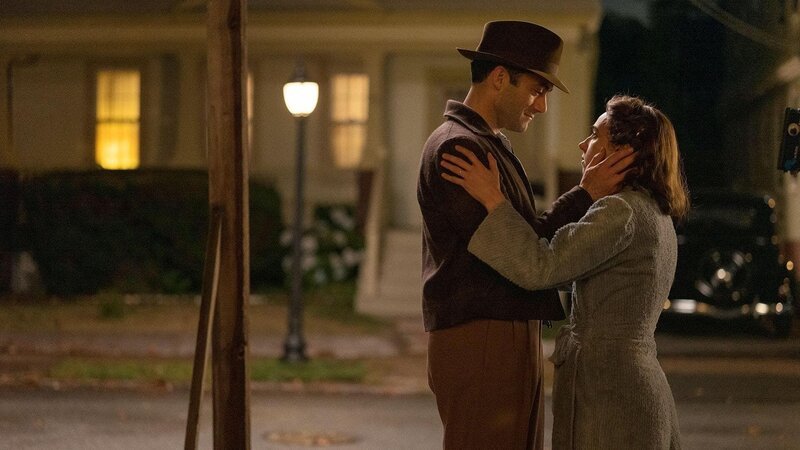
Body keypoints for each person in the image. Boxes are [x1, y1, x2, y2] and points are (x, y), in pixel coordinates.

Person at [416, 20, 634, 449]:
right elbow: (518, 252)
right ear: (500, 78)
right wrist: (586, 193)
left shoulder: (488, 143)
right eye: (538, 90)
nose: (542, 106)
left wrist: (586, 193)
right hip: (482, 333)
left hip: (503, 328)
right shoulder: (459, 147)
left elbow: (527, 239)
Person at [440, 94, 688, 449]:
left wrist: (494, 200)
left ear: (620, 153)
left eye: (595, 135)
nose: (583, 145)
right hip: (623, 384)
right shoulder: (651, 210)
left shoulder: (621, 212)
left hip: (612, 394)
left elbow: (541, 267)